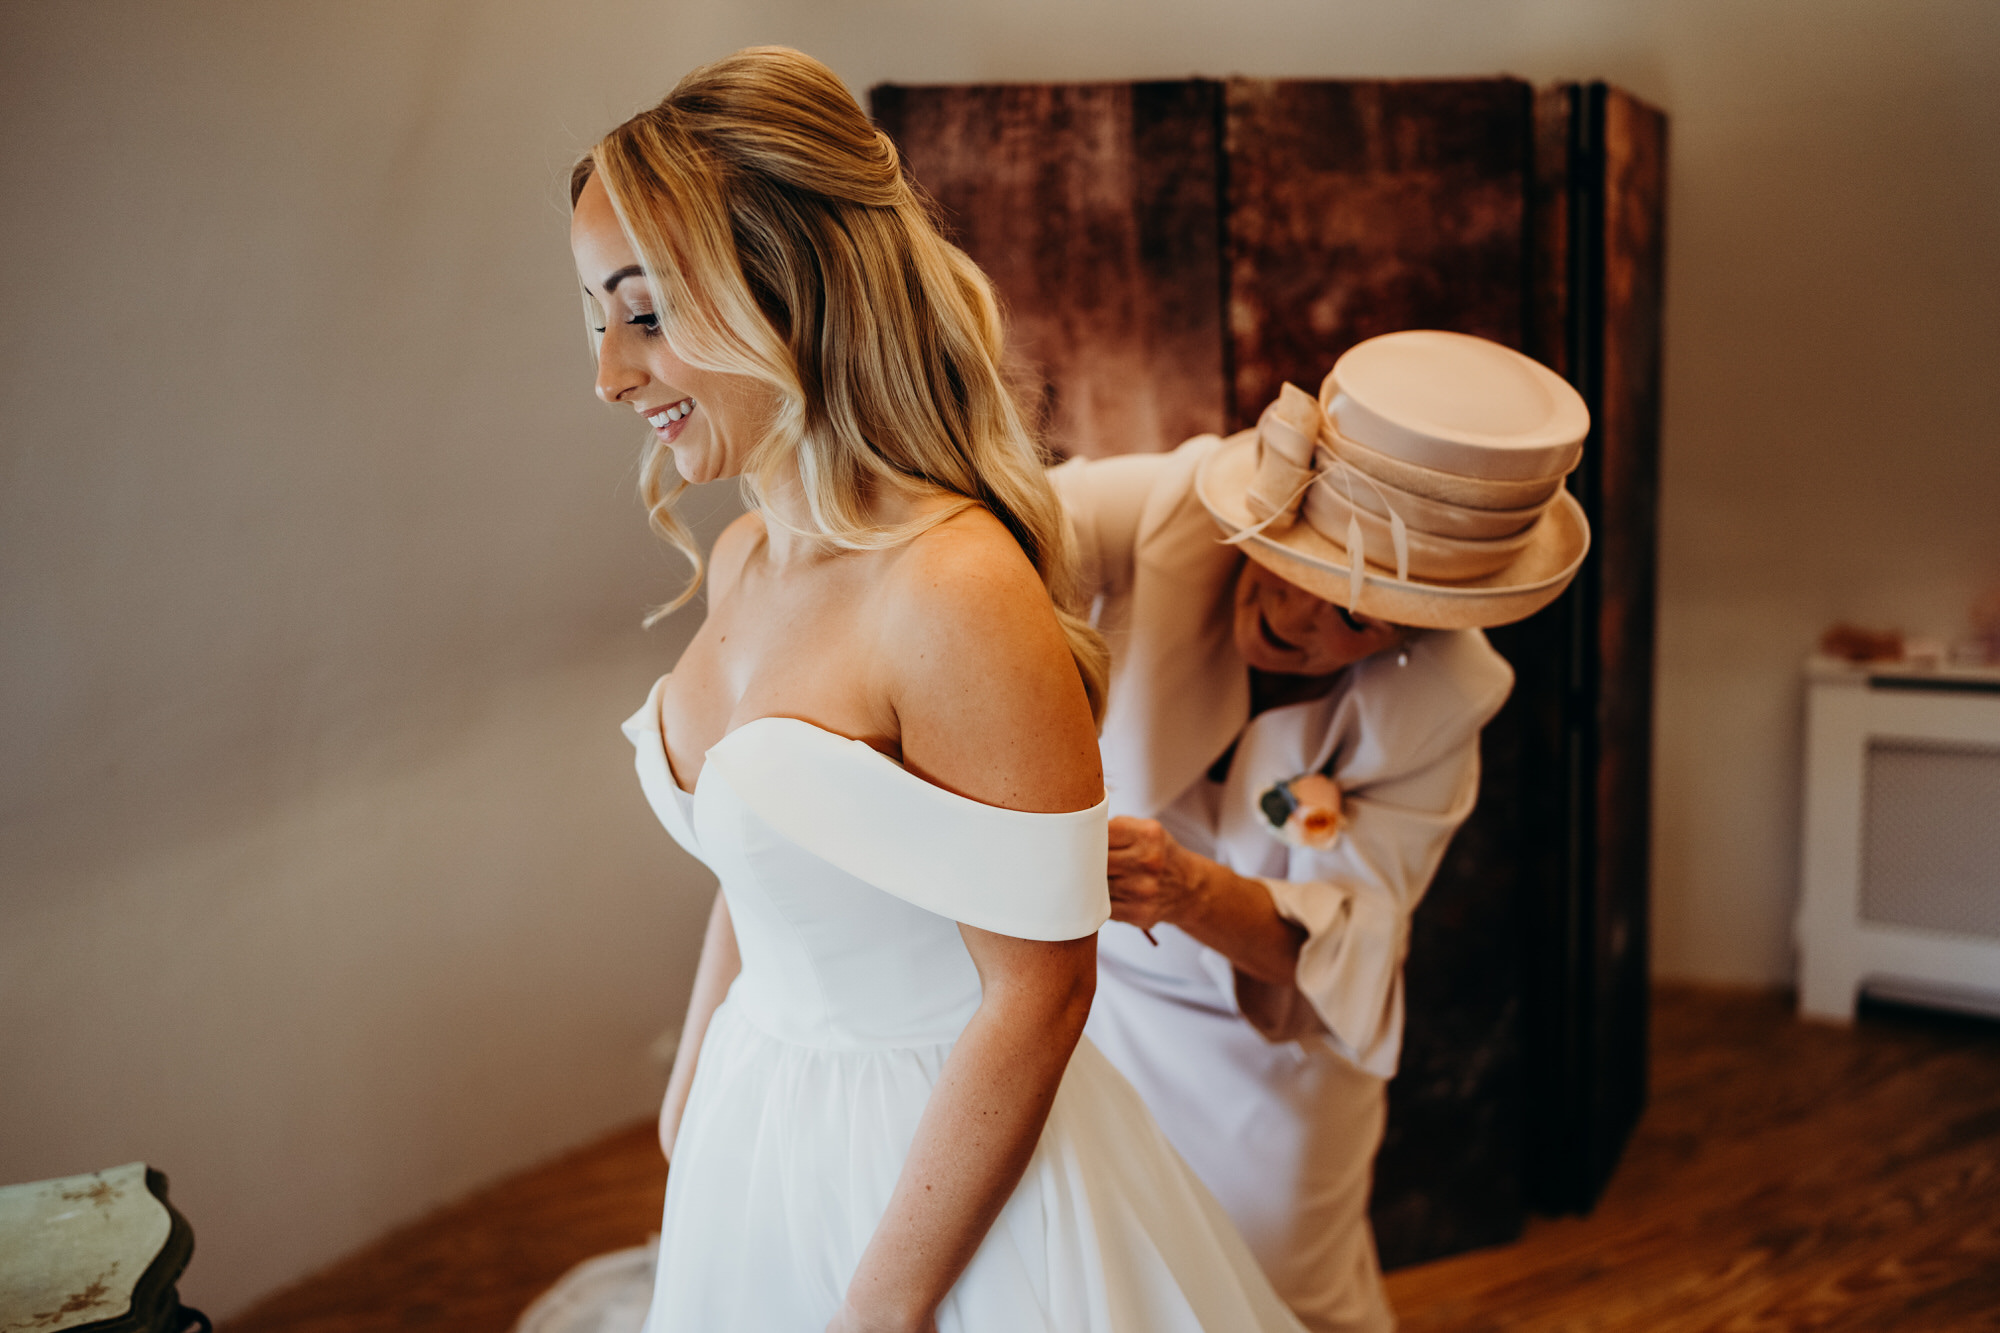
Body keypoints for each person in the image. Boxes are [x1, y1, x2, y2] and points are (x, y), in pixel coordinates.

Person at [571, 47, 1306, 1333]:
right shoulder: (745, 556)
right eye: (596, 321)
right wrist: (691, 1098)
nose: (610, 377)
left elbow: (1043, 988)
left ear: (781, 287)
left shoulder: (952, 587)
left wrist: (888, 1302)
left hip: (934, 1172)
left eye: (645, 316)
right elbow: (764, 861)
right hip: (761, 1119)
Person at [1050, 355, 1589, 1333]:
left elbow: (1336, 951)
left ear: (1418, 627)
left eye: (1350, 613)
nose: (1294, 614)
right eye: (1292, 557)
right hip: (1095, 1007)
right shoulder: (1163, 510)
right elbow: (964, 541)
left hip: (1273, 1052)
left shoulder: (1441, 699)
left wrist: (1181, 886)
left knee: (1276, 1299)